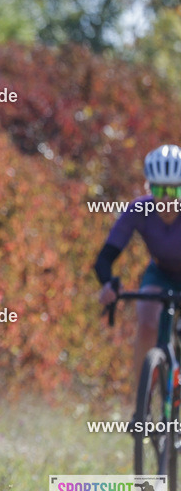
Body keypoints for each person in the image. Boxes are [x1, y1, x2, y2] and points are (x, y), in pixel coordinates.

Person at [95, 145, 181, 392]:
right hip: (161, 272)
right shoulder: (139, 209)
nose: (167, 199)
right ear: (149, 188)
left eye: (174, 190)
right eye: (159, 190)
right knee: (146, 320)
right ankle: (142, 400)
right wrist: (108, 283)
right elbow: (105, 257)